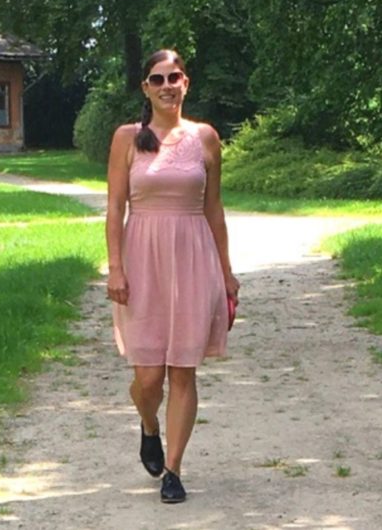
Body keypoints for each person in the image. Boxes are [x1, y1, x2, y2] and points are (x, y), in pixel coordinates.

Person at [105, 49, 239, 504]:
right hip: (142, 261)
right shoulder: (127, 138)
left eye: (174, 77)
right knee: (148, 378)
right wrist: (116, 268)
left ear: (186, 83)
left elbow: (214, 209)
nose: (167, 86)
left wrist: (226, 272)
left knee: (183, 369)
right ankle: (149, 426)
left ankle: (174, 470)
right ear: (146, 87)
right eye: (158, 79)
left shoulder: (205, 138)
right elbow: (114, 208)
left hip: (193, 258)